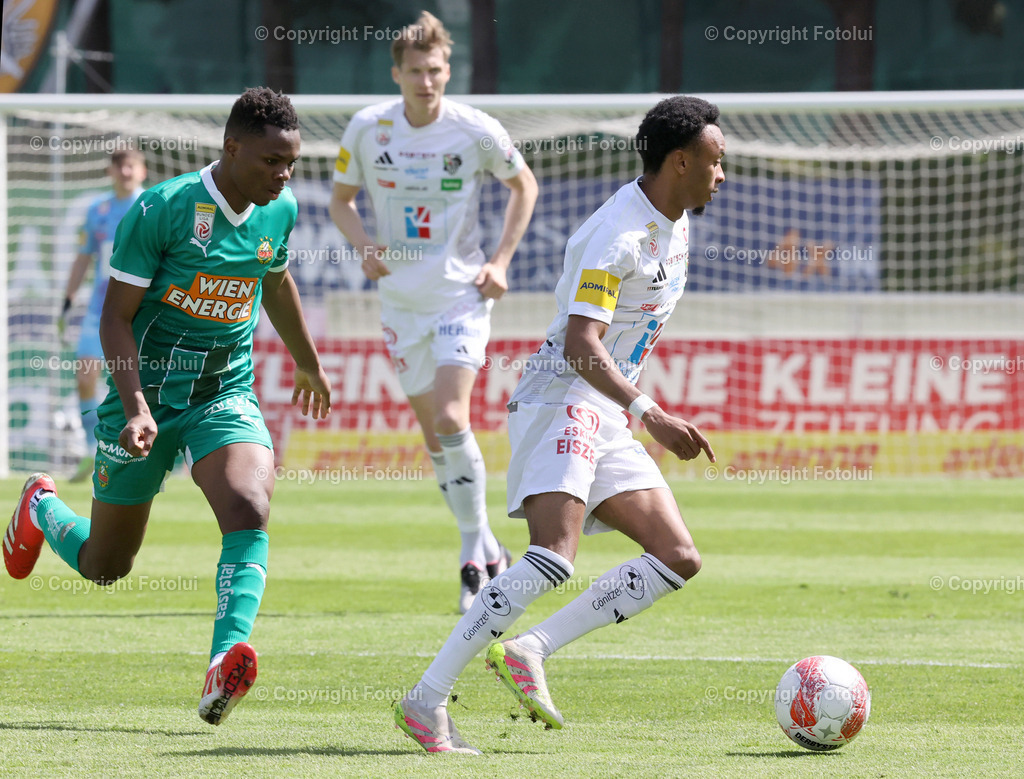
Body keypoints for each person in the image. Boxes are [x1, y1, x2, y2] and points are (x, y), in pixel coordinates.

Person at [394, 95, 725, 754]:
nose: (723, 175)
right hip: (562, 397)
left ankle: (530, 648)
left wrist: (630, 410)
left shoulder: (675, 218)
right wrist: (650, 412)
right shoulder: (619, 235)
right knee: (552, 558)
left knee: (677, 556)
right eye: (716, 162)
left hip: (604, 408)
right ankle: (424, 701)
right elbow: (581, 343)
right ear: (681, 162)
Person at [4, 87, 331, 727]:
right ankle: (41, 505)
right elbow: (114, 318)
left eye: (290, 163)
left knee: (250, 505)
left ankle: (222, 664)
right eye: (271, 161)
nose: (284, 175)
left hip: (223, 392)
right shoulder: (163, 209)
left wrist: (307, 360)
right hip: (143, 400)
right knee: (106, 565)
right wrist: (134, 408)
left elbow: (275, 279)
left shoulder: (279, 209)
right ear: (232, 149)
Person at [329, 11, 539, 613]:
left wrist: (500, 262)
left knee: (451, 417)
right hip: (399, 302)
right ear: (396, 74)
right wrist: (364, 245)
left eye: (437, 70)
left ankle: (474, 552)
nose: (428, 81)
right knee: (435, 437)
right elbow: (341, 202)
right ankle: (486, 546)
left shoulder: (475, 130)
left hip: (459, 297)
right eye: (416, 71)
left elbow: (523, 186)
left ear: (449, 71)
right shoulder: (368, 129)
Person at [59, 149, 148, 482]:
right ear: (111, 171)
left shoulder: (151, 205)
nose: (124, 171)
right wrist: (68, 299)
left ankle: (154, 452)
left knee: (143, 379)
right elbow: (84, 257)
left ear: (142, 171)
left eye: (131, 165)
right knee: (85, 375)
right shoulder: (97, 211)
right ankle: (89, 447)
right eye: (119, 166)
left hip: (142, 306)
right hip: (102, 307)